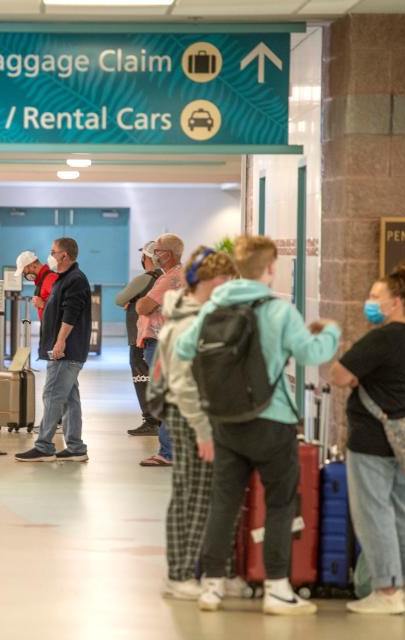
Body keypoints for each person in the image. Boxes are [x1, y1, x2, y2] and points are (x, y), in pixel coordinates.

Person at [176, 235, 340, 616]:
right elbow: (312, 353)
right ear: (270, 268)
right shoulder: (279, 310)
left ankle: (212, 587)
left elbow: (185, 351)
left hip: (225, 420)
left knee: (225, 502)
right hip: (272, 420)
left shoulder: (214, 305)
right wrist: (330, 330)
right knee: (281, 503)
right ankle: (278, 589)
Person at [330, 260, 405, 615]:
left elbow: (339, 374)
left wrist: (354, 378)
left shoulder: (382, 338)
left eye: (376, 296)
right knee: (404, 510)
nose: (369, 301)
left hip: (372, 441)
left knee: (374, 514)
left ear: (396, 301)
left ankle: (386, 590)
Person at [156, 247, 244, 600]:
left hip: (204, 416)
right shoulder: (188, 321)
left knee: (206, 495)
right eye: (226, 281)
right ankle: (180, 574)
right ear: (210, 280)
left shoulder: (203, 314)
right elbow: (182, 383)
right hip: (189, 416)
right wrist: (204, 430)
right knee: (191, 496)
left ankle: (207, 571)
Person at [15, 237, 91, 463]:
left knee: (51, 395)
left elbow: (70, 314)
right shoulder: (63, 278)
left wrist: (59, 342)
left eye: (53, 251)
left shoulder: (74, 280)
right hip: (63, 348)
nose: (51, 255)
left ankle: (44, 446)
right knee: (69, 398)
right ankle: (76, 448)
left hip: (66, 350)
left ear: (64, 255)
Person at [135, 234, 186, 466]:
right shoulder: (177, 276)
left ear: (170, 254)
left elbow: (143, 306)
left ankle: (167, 453)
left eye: (159, 250)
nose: (154, 254)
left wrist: (141, 302)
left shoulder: (169, 280)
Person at [115, 241, 162, 436]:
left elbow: (119, 299)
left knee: (141, 376)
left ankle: (151, 420)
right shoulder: (165, 278)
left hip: (140, 336)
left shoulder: (145, 278)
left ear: (146, 258)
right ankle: (160, 419)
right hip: (159, 335)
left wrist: (132, 300)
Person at [15, 250, 59, 321]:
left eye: (24, 271)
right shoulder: (41, 280)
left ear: (32, 265)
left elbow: (65, 305)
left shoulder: (49, 279)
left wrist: (43, 305)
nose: (25, 275)